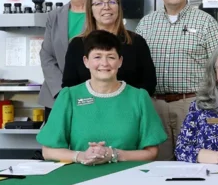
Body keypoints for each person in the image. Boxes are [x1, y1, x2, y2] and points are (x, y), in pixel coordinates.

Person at [38, 30, 167, 165]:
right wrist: (81, 156)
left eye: (111, 57)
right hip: (79, 179)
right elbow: (48, 151)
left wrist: (113, 154)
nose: (104, 63)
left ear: (120, 61)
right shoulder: (69, 96)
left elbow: (152, 152)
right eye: (97, 57)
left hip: (128, 178)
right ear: (86, 61)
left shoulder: (139, 97)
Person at [136, 0, 218, 160]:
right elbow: (136, 65)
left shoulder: (206, 22)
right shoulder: (146, 24)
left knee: (196, 160)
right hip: (155, 105)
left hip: (193, 104)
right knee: (159, 163)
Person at [62, 0, 157, 98]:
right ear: (90, 9)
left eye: (112, 2)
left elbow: (149, 84)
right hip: (87, 111)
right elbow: (69, 86)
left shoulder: (136, 42)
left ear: (118, 6)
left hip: (128, 111)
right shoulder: (77, 44)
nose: (106, 7)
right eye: (99, 3)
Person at [39, 0, 101, 118]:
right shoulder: (54, 16)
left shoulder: (99, 13)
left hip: (93, 93)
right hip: (57, 96)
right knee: (56, 142)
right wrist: (61, 90)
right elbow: (46, 55)